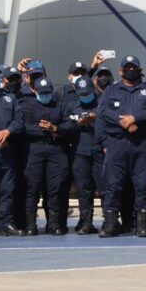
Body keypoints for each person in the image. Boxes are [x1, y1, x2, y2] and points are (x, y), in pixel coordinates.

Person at [97, 56, 146, 237]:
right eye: (127, 68)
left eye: (134, 67)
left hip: (142, 145)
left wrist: (135, 118)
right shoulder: (111, 90)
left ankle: (143, 224)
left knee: (143, 185)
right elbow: (103, 111)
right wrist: (122, 121)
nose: (131, 70)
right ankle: (111, 224)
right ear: (121, 71)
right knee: (113, 185)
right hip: (117, 145)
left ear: (139, 69)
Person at [22, 78, 75, 236]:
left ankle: (53, 223)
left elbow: (70, 126)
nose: (45, 96)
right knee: (33, 188)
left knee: (55, 188)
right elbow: (26, 127)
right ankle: (31, 224)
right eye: (41, 93)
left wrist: (54, 128)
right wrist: (44, 129)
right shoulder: (28, 106)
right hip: (36, 149)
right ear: (35, 91)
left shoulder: (61, 106)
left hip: (56, 150)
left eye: (47, 93)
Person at [67, 76, 102, 234]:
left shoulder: (102, 103)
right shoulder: (71, 106)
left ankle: (110, 221)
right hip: (80, 152)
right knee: (84, 189)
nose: (85, 96)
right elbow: (65, 129)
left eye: (87, 93)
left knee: (104, 188)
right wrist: (77, 124)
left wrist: (96, 120)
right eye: (82, 94)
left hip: (99, 150)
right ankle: (86, 221)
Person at [0, 68, 24, 236]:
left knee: (7, 189)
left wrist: (8, 131)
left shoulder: (10, 98)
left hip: (6, 152)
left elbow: (19, 121)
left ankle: (6, 223)